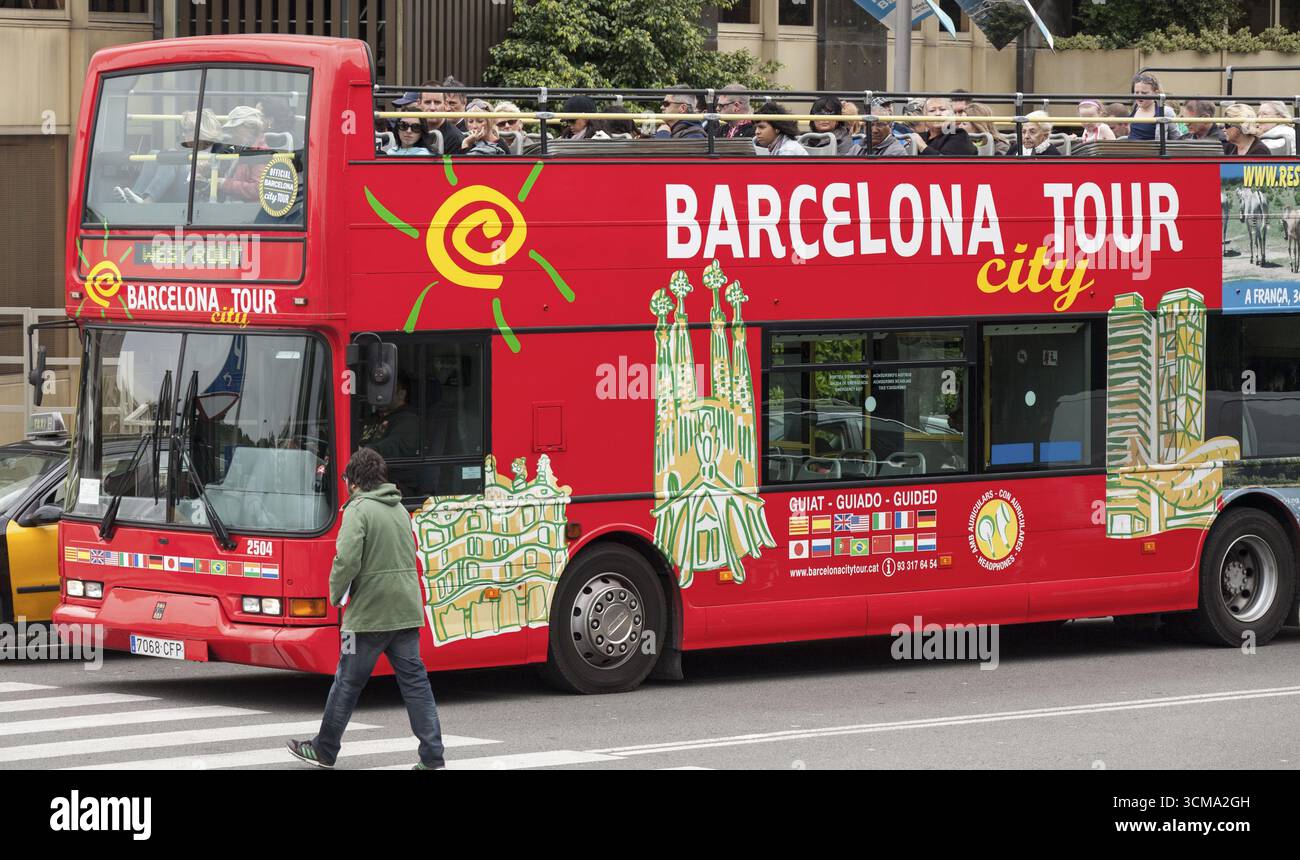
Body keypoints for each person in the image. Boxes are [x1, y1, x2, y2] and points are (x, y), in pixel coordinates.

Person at [287, 448, 446, 771]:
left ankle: (324, 749)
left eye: (346, 479)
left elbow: (346, 561)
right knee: (416, 685)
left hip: (368, 617)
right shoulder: (399, 509)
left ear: (355, 481)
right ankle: (432, 757)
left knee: (347, 680)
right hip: (405, 611)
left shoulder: (358, 511)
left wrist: (334, 595)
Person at [359, 375, 420, 460]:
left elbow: (391, 447)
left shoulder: (409, 420)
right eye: (377, 389)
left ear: (401, 394)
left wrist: (360, 453)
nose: (379, 394)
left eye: (385, 391)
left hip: (386, 471)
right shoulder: (374, 417)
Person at [908, 97, 977, 156]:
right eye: (932, 110)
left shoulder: (959, 135)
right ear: (924, 116)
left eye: (942, 109)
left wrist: (922, 146)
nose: (938, 114)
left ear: (952, 114)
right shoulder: (920, 137)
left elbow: (946, 166)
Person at [413, 83, 464, 154]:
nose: (432, 108)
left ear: (445, 105)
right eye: (427, 102)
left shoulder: (455, 139)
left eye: (437, 102)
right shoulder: (411, 130)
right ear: (418, 104)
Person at [1128, 72, 1176, 142]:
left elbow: (1176, 136)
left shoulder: (1164, 111)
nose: (1139, 96)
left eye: (1144, 93)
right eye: (1136, 92)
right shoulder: (1135, 107)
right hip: (1131, 149)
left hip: (1151, 151)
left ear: (1155, 93)